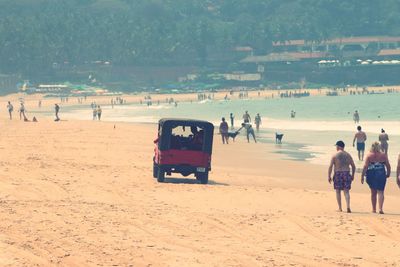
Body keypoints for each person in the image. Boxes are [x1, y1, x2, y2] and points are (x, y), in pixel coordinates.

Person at [361, 142, 391, 214]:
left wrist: (362, 175)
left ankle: (374, 209)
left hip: (371, 174)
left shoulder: (369, 155)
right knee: (381, 192)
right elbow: (388, 165)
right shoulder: (383, 155)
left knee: (373, 192)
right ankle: (380, 209)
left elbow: (365, 166)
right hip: (381, 173)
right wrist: (388, 173)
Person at [328, 141, 356, 213]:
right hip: (346, 173)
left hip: (338, 173)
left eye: (336, 146)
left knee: (338, 191)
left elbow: (330, 166)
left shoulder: (335, 155)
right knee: (346, 191)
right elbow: (353, 166)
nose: (336, 148)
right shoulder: (348, 155)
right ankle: (348, 207)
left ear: (339, 146)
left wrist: (329, 176)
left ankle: (340, 208)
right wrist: (352, 175)